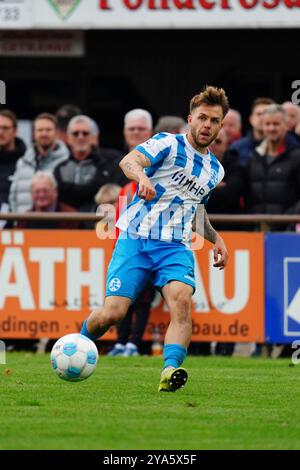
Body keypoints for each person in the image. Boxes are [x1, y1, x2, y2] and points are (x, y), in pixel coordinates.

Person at [79, 85, 229, 392]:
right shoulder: (167, 143)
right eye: (202, 118)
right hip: (136, 238)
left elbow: (196, 209)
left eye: (214, 121)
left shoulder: (215, 170)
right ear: (190, 118)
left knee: (182, 301)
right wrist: (143, 178)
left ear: (221, 125)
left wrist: (217, 240)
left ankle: (170, 370)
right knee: (113, 314)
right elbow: (128, 162)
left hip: (174, 246)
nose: (207, 126)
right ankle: (79, 344)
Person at [9, 113, 69, 213]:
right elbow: (13, 196)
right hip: (24, 223)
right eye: (40, 130)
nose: (44, 133)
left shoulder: (66, 162)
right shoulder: (22, 162)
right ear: (34, 134)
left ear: (56, 133)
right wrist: (17, 221)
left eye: (48, 130)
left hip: (55, 224)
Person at [54, 115, 112, 212]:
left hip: (94, 221)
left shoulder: (104, 165)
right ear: (68, 138)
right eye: (75, 133)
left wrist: (68, 188)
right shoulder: (60, 167)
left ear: (93, 137)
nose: (80, 137)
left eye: (85, 133)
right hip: (66, 222)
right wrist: (88, 189)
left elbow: (98, 192)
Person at [17, 171, 82, 230]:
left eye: (45, 191)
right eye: (37, 191)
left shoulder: (71, 217)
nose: (41, 195)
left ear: (55, 192)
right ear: (31, 194)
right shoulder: (24, 219)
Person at [228, 97, 275, 167]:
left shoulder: (285, 148)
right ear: (251, 119)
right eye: (259, 114)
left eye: (266, 113)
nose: (262, 117)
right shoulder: (236, 149)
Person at [0, 109, 26, 225]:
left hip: (17, 230)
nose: (0, 132)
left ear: (15, 131)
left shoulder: (28, 161)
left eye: (5, 128)